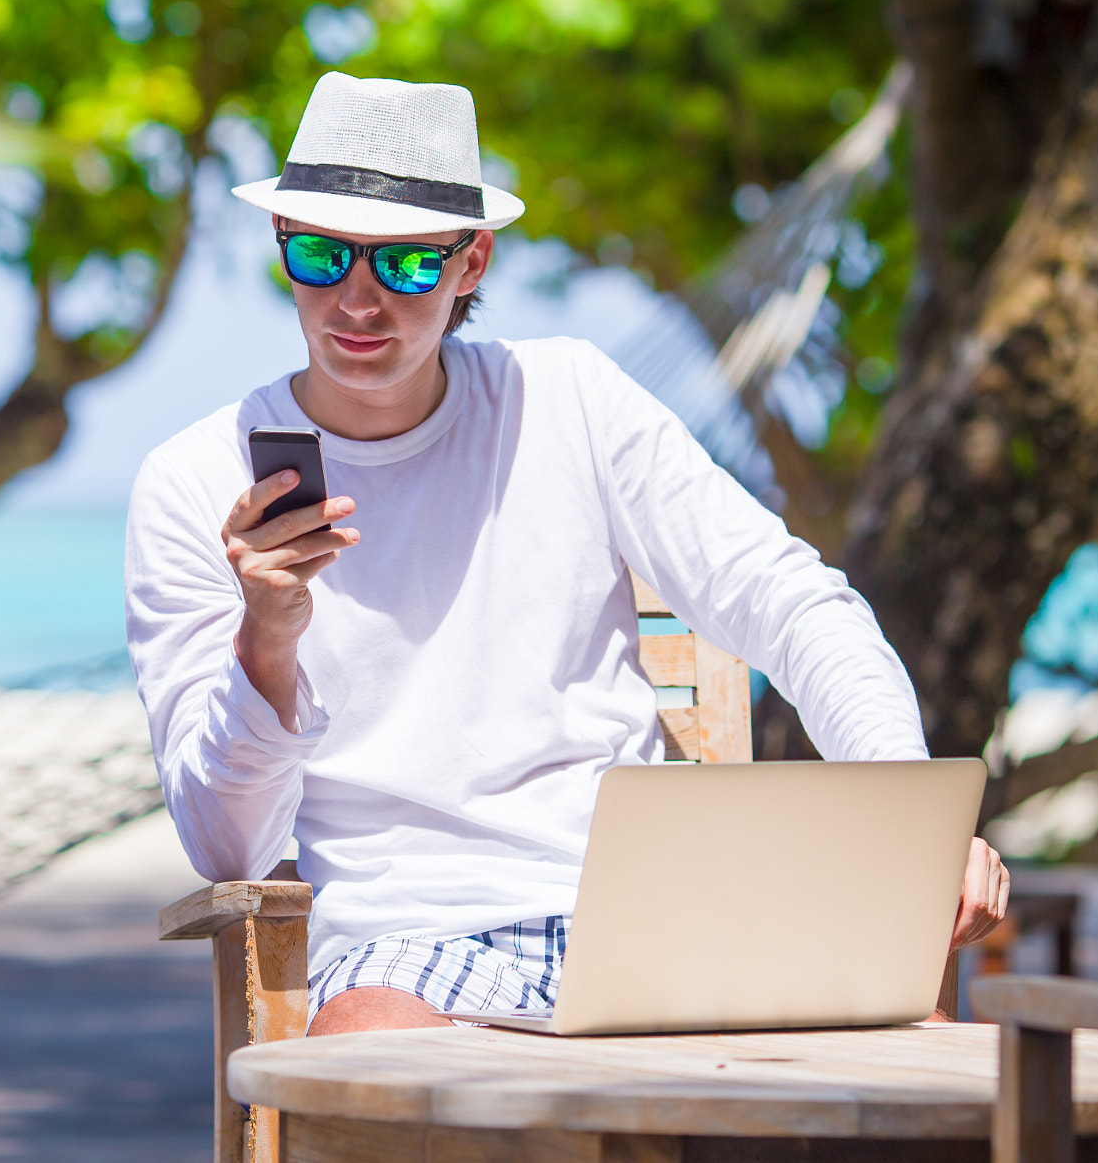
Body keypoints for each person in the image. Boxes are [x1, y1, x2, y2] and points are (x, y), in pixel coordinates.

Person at [125, 71, 1007, 1036]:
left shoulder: (572, 401)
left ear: (472, 265)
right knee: (372, 1070)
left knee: (894, 1012)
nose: (359, 300)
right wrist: (268, 641)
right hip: (406, 940)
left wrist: (910, 821)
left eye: (409, 266)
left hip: (649, 911)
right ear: (282, 250)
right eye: (323, 254)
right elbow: (227, 846)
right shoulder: (194, 482)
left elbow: (794, 603)